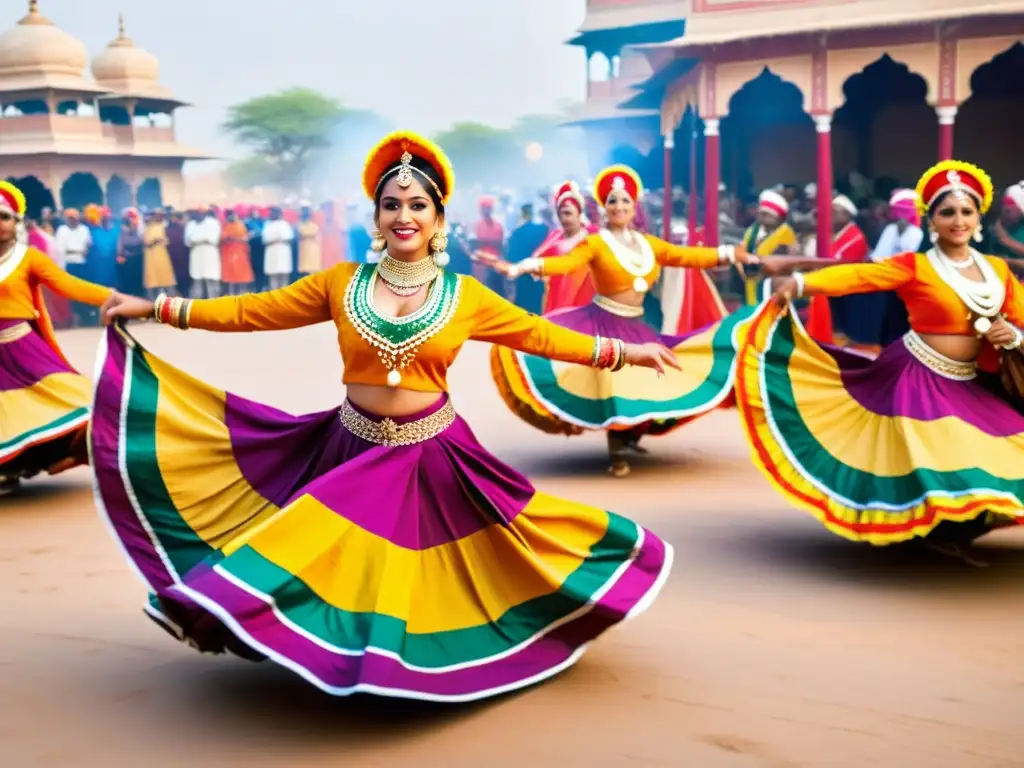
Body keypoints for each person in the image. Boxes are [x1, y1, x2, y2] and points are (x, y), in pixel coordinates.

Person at [95, 131, 675, 701]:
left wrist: (627, 350)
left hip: (433, 453)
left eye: (417, 205)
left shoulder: (465, 294)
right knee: (331, 555)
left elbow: (541, 335)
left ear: (438, 218)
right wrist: (159, 306)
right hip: (350, 445)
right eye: (392, 204)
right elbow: (252, 310)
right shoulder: (340, 283)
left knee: (468, 558)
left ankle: (407, 666)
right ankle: (299, 639)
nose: (404, 215)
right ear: (376, 216)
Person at [742, 160, 1024, 564]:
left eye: (966, 211)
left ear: (979, 217)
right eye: (947, 212)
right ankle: (929, 530)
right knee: (941, 456)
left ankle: (954, 529)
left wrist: (1012, 335)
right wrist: (803, 282)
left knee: (1007, 453)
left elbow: (1020, 316)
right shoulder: (916, 265)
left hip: (971, 380)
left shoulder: (996, 270)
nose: (958, 220)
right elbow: (860, 276)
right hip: (918, 378)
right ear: (932, 220)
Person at [492, 164, 758, 477]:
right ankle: (616, 448)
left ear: (634, 208)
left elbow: (686, 256)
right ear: (604, 208)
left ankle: (628, 435)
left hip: (636, 325)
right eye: (613, 202)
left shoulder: (649, 244)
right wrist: (524, 266)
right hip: (602, 322)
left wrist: (730, 254)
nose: (619, 207)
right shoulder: (595, 243)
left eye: (625, 201)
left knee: (653, 379)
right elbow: (565, 264)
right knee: (613, 382)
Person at [0, 181, 112, 496]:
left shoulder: (28, 258)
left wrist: (114, 297)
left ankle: (58, 457)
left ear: (17, 222)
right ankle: (8, 471)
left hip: (21, 348)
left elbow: (68, 285)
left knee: (68, 401)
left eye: (4, 217)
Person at [533, 181, 598, 314]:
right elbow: (537, 260)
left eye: (568, 213)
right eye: (561, 213)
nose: (564, 219)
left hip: (588, 298)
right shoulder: (556, 236)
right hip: (559, 299)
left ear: (579, 212)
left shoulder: (594, 234)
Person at [506, 203, 549, 313]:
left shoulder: (516, 233)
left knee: (524, 306)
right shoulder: (542, 229)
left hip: (523, 275)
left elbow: (510, 256)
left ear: (522, 214)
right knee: (538, 304)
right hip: (538, 272)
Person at [54, 208, 93, 327]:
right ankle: (74, 319)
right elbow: (60, 249)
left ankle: (84, 318)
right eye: (70, 218)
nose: (72, 220)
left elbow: (88, 245)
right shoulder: (62, 230)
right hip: (69, 264)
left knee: (83, 291)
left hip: (82, 263)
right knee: (71, 294)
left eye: (74, 218)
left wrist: (84, 250)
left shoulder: (84, 229)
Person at [186, 207, 222, 298]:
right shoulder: (191, 225)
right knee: (197, 279)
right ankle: (199, 302)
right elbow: (188, 240)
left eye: (201, 213)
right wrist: (201, 239)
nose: (199, 215)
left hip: (209, 254)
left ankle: (213, 300)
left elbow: (214, 238)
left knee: (211, 279)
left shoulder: (213, 223)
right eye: (197, 213)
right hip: (196, 254)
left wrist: (199, 239)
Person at [143, 209, 178, 299]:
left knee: (165, 278)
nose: (159, 217)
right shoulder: (148, 227)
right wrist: (155, 240)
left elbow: (168, 240)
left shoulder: (164, 227)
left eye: (161, 215)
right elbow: (146, 242)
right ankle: (153, 301)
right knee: (153, 279)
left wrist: (160, 240)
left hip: (162, 255)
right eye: (157, 215)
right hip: (151, 256)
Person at [220, 209, 254, 295]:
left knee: (241, 275)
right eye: (229, 215)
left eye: (233, 214)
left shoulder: (240, 225)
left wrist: (235, 239)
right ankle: (231, 295)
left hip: (240, 253)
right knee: (230, 276)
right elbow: (222, 238)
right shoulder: (224, 226)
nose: (231, 216)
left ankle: (241, 294)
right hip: (228, 254)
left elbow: (245, 238)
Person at [262, 207, 295, 290]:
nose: (272, 214)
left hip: (283, 251)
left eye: (274, 213)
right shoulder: (268, 225)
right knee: (273, 276)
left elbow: (289, 237)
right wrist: (275, 239)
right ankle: (274, 297)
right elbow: (265, 239)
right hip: (272, 252)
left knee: (284, 275)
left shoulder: (285, 224)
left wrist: (279, 239)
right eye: (271, 213)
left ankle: (284, 297)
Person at [116, 209, 145, 297]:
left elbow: (139, 241)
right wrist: (120, 255)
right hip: (128, 260)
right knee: (128, 283)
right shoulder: (122, 230)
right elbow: (121, 245)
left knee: (138, 283)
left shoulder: (140, 229)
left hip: (138, 258)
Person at [297, 203, 323, 277]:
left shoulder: (314, 224)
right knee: (305, 272)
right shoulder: (300, 224)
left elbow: (307, 231)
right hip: (304, 250)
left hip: (313, 249)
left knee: (312, 271)